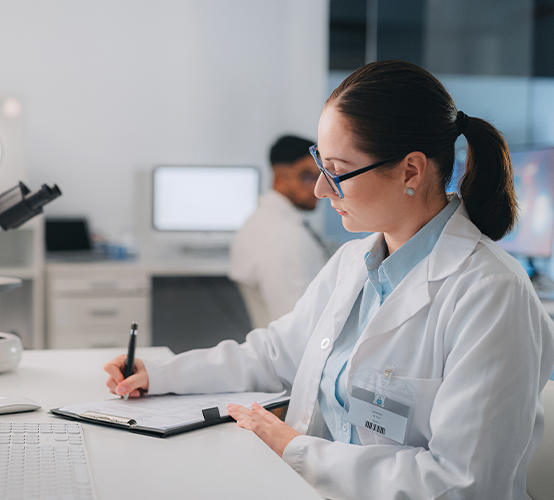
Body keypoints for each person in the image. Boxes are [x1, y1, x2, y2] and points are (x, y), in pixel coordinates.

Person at [104, 60, 554, 499]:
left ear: (411, 171)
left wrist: (293, 448)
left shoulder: (491, 293)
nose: (320, 190)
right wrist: (159, 374)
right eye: (321, 165)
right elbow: (275, 353)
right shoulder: (354, 260)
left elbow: (461, 485)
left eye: (337, 172)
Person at [230, 135, 328, 325]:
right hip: (296, 350)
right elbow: (295, 322)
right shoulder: (283, 237)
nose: (318, 188)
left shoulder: (263, 221)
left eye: (322, 176)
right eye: (307, 177)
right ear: (279, 178)